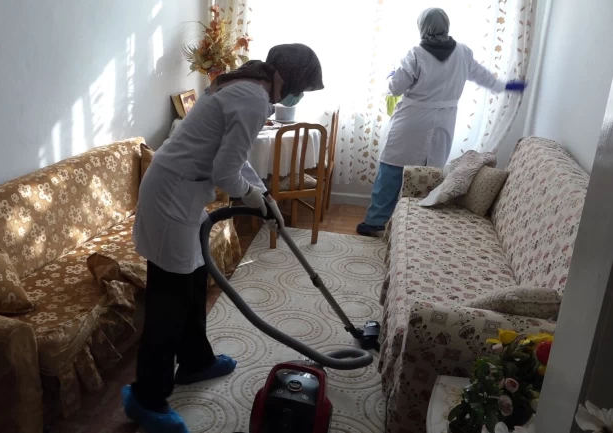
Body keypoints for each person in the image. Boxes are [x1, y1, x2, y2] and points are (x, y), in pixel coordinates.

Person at [121, 43, 324, 433]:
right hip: (170, 198)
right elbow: (225, 173)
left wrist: (261, 193)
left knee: (195, 283)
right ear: (286, 77)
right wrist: (254, 199)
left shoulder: (249, 86)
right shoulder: (252, 98)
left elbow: (236, 158)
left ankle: (195, 361)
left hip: (184, 193)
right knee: (167, 304)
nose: (297, 95)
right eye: (300, 87)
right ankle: (147, 399)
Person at [356, 8, 526, 237]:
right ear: (446, 25)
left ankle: (375, 222)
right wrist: (506, 86)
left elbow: (395, 88)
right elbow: (484, 77)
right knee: (428, 175)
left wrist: (391, 76)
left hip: (412, 120)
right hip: (444, 122)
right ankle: (416, 225)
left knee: (391, 172)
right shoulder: (463, 53)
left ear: (422, 27)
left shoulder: (416, 54)